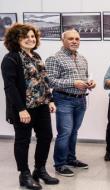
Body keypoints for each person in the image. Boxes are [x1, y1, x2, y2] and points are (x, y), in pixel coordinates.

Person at [1, 23, 59, 190]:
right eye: (25, 36)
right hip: (23, 108)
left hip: (41, 105)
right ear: (16, 39)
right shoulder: (11, 58)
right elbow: (9, 87)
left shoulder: (36, 55)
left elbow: (44, 80)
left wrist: (51, 100)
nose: (30, 39)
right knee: (23, 141)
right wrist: (21, 109)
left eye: (33, 36)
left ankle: (39, 170)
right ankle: (24, 174)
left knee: (46, 137)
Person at [45, 29, 96, 177]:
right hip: (63, 100)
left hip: (81, 100)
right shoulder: (54, 58)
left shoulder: (82, 58)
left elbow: (84, 78)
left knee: (73, 132)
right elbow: (50, 81)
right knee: (65, 132)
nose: (74, 41)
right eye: (71, 39)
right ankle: (60, 165)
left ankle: (71, 159)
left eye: (77, 39)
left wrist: (89, 83)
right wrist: (73, 83)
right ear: (63, 40)